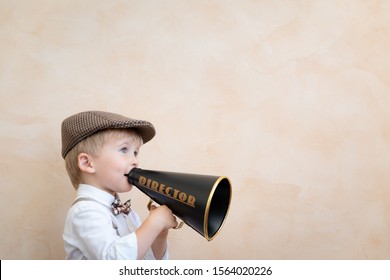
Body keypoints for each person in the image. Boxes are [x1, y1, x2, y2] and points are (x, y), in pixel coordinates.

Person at [61, 110, 178, 260]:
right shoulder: (84, 212)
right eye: (124, 149)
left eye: (135, 152)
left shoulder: (125, 211)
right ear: (87, 163)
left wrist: (159, 234)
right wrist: (154, 224)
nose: (135, 161)